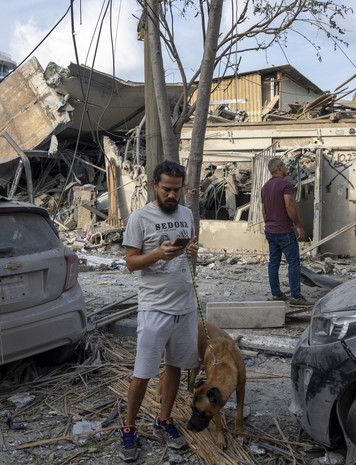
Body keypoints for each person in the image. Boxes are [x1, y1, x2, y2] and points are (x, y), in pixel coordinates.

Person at [119, 160, 200, 463]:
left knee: (176, 366)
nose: (172, 195)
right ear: (154, 184)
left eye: (176, 190)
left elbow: (191, 246)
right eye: (166, 189)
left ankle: (164, 420)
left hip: (186, 306)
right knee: (143, 373)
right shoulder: (139, 218)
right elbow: (130, 263)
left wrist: (192, 250)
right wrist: (157, 254)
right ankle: (128, 427)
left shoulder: (187, 214)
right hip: (154, 307)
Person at [261, 157, 312, 308]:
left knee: (273, 263)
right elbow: (289, 205)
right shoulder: (285, 184)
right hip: (284, 230)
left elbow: (264, 211)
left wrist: (269, 224)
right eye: (283, 165)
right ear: (278, 168)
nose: (285, 167)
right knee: (294, 262)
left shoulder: (265, 187)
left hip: (270, 230)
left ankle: (276, 294)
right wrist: (298, 225)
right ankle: (296, 296)